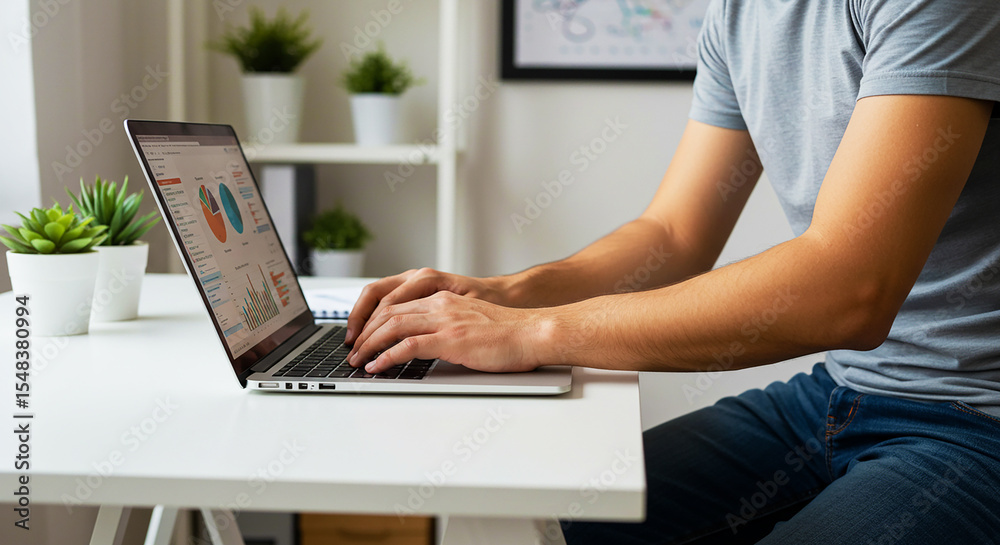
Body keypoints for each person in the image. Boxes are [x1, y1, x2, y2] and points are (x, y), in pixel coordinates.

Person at [344, 0, 1000, 541]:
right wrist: (499, 294)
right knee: (570, 522)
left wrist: (530, 332)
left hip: (973, 422)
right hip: (834, 394)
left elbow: (848, 290)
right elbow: (674, 234)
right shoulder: (738, 16)